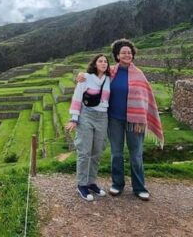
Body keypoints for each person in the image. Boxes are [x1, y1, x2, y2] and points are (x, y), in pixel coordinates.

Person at [76, 39, 163, 201]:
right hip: (114, 119)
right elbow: (94, 75)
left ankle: (139, 187)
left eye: (129, 52)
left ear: (133, 55)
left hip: (135, 122)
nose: (127, 54)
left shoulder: (139, 74)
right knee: (116, 153)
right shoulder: (111, 72)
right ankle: (117, 184)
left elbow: (146, 97)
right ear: (117, 55)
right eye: (123, 52)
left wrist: (142, 117)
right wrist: (81, 75)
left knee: (136, 154)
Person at [65, 54, 111, 201]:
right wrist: (74, 118)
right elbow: (77, 97)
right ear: (95, 64)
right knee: (84, 151)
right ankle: (81, 184)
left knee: (97, 151)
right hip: (86, 116)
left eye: (105, 61)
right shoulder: (85, 77)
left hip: (102, 117)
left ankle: (91, 182)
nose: (103, 63)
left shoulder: (109, 79)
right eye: (100, 61)